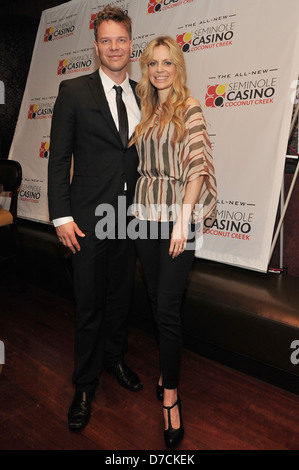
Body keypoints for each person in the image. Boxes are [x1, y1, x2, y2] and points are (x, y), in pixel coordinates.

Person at [48, 6, 142, 431]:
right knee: (88, 304)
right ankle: (84, 385)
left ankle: (114, 359)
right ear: (96, 46)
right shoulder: (74, 91)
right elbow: (59, 159)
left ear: (131, 42)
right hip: (86, 218)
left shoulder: (147, 93)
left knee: (120, 298)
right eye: (106, 40)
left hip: (130, 216)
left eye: (120, 39)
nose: (114, 47)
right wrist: (61, 216)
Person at [130, 36, 217, 448]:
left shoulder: (190, 108)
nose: (160, 69)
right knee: (155, 299)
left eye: (167, 62)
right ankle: (166, 369)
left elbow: (197, 168)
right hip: (144, 217)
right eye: (153, 63)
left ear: (178, 67)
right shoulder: (146, 112)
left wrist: (182, 223)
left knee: (166, 308)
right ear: (146, 69)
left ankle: (170, 397)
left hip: (176, 220)